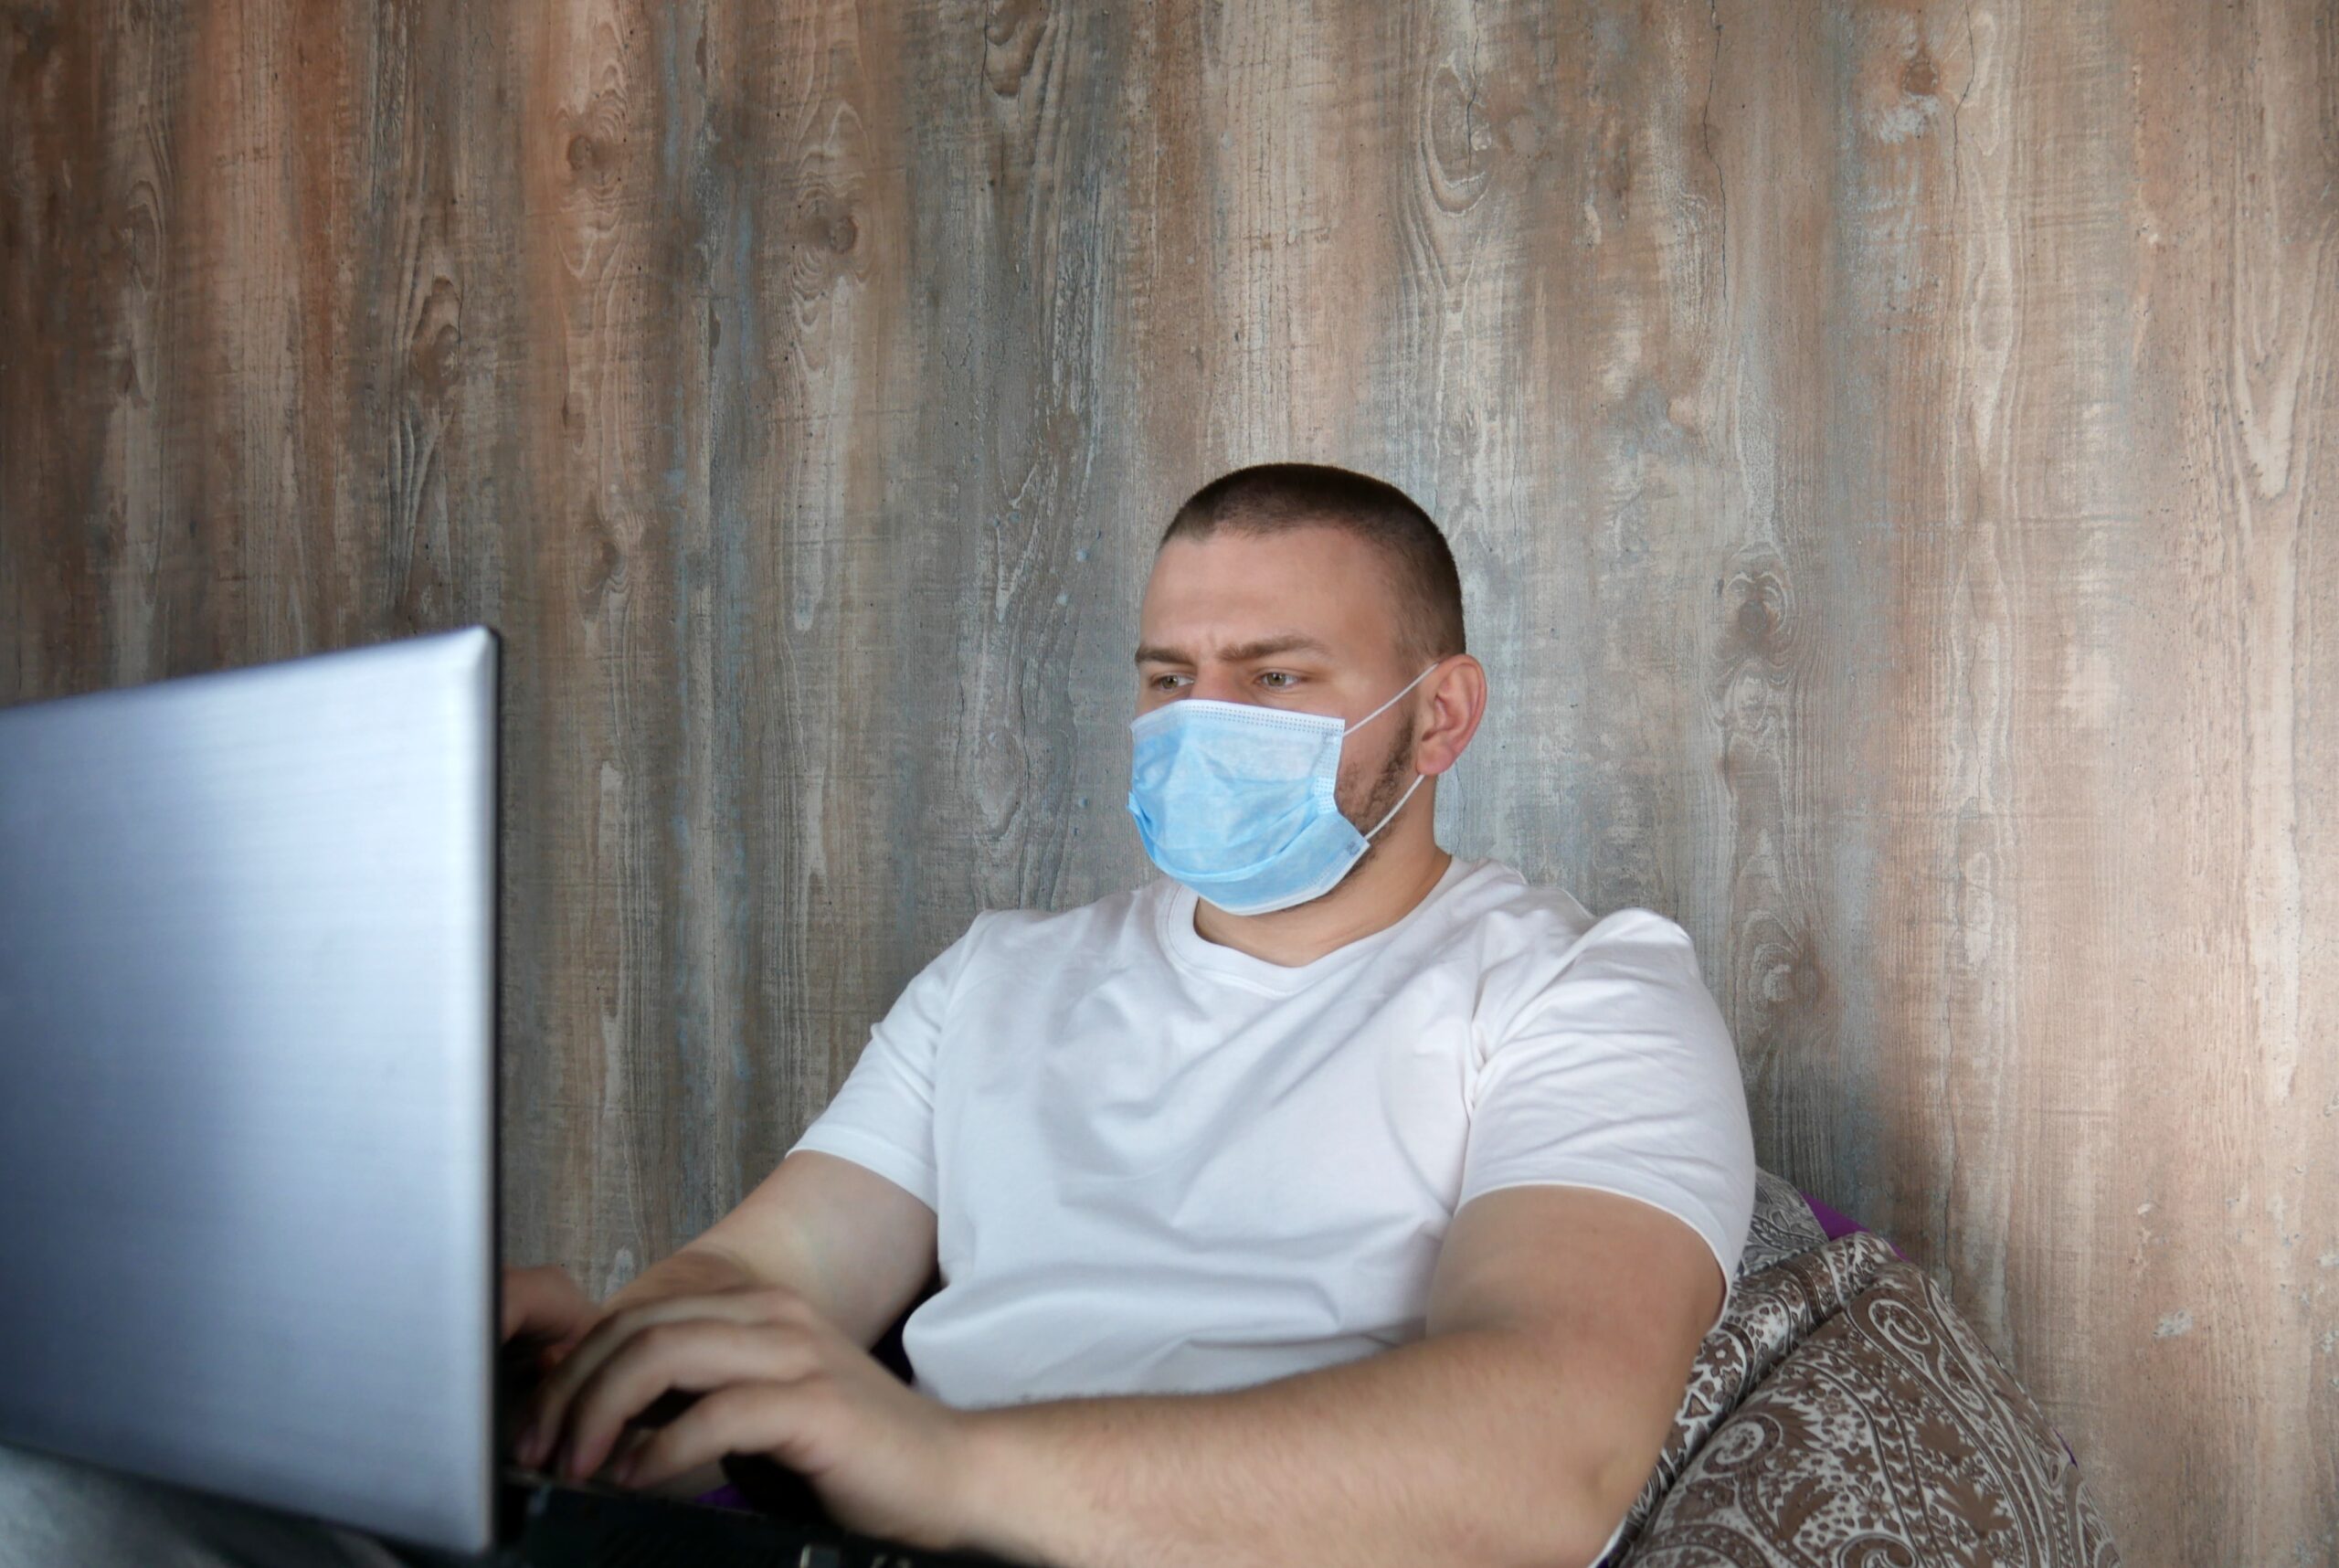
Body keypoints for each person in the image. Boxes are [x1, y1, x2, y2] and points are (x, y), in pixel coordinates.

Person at [1, 463, 1754, 1568]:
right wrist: (594, 1363)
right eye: (1165, 680)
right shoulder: (1001, 978)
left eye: (1276, 679)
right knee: (49, 1496)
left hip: (1065, 1529)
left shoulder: (1581, 992)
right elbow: (772, 1276)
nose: (1196, 721)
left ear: (1438, 719)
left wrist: (944, 1462)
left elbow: (1545, 1453)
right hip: (866, 1536)